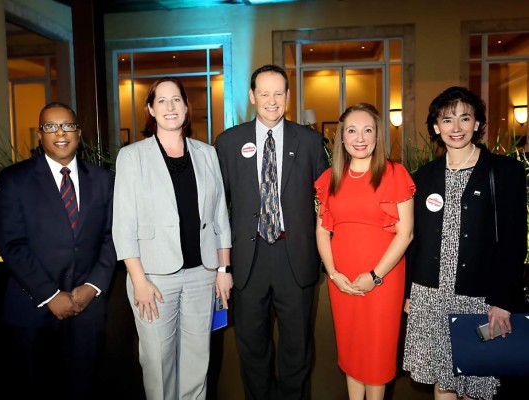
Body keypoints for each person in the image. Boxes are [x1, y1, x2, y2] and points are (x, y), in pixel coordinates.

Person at [403, 86, 527, 400]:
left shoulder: (504, 172)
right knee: (442, 383)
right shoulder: (423, 177)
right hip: (429, 296)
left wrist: (503, 300)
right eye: (447, 120)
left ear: (476, 123)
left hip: (479, 299)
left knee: (475, 383)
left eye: (464, 118)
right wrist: (408, 294)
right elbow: (413, 240)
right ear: (435, 126)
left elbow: (514, 242)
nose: (455, 128)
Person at [112, 77, 232, 400]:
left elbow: (220, 215)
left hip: (202, 276)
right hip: (153, 279)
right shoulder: (132, 156)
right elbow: (123, 225)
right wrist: (138, 279)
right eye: (161, 101)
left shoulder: (207, 154)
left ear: (186, 107)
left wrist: (223, 270)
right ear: (150, 109)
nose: (170, 107)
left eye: (176, 99)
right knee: (157, 362)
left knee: (197, 362)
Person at [215, 64, 329, 400]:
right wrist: (220, 266)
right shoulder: (228, 142)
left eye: (278, 93)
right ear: (252, 96)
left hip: (295, 260)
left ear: (289, 97)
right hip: (248, 261)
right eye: (264, 93)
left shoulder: (309, 141)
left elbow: (327, 200)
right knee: (252, 350)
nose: (271, 100)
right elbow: (217, 207)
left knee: (297, 350)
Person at [0, 101, 117, 399]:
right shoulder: (14, 179)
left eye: (67, 126)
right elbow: (11, 243)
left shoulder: (102, 179)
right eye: (51, 126)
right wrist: (51, 295)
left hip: (87, 308)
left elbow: (112, 237)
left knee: (85, 388)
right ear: (40, 135)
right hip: (33, 309)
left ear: (79, 132)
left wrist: (92, 286)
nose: (60, 133)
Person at [314, 103, 415, 400]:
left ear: (377, 135)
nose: (360, 137)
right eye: (352, 130)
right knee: (351, 349)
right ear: (341, 137)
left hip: (383, 280)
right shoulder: (330, 178)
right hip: (342, 279)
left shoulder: (394, 173)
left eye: (367, 130)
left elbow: (405, 233)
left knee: (377, 353)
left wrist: (375, 275)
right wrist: (333, 273)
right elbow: (322, 231)